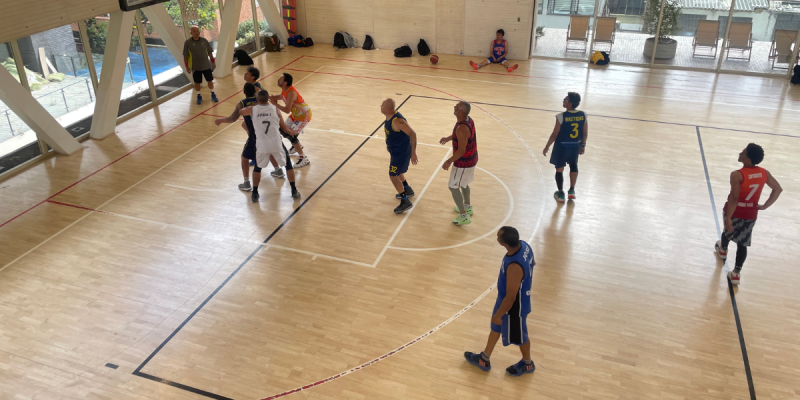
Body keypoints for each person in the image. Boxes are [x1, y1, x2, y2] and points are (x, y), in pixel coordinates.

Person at [464, 226, 536, 376]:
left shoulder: (515, 265)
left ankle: (528, 363)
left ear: (504, 243)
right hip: (506, 300)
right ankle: (484, 358)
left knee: (521, 335)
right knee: (495, 328)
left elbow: (511, 297)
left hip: (514, 307)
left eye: (498, 237)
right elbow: (533, 262)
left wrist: (499, 314)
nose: (496, 237)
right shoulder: (525, 246)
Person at [714, 143, 782, 285]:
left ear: (748, 160)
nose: (740, 153)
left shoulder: (737, 174)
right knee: (742, 243)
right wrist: (765, 205)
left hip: (735, 211)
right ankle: (736, 274)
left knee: (727, 231)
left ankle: (723, 250)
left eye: (743, 153)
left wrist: (729, 217)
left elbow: (734, 198)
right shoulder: (764, 173)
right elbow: (777, 189)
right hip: (750, 214)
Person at [215, 90, 300, 201]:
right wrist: (292, 132)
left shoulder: (252, 110)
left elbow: (240, 112)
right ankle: (294, 190)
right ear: (267, 99)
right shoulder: (276, 110)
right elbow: (284, 128)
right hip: (275, 142)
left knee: (257, 168)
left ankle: (255, 193)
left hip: (261, 144)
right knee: (288, 165)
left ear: (257, 99)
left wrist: (253, 105)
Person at [542, 92, 587, 203]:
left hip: (561, 146)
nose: (563, 101)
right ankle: (571, 191)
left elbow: (554, 134)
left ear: (570, 104)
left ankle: (561, 193)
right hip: (575, 146)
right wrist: (583, 145)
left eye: (565, 100)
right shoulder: (583, 115)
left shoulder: (561, 116)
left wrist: (547, 146)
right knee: (573, 165)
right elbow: (585, 133)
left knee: (559, 169)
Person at [440, 101, 478, 226]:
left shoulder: (461, 128)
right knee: (464, 183)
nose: (454, 108)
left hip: (463, 163)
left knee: (453, 186)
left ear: (461, 112)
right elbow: (461, 136)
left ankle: (464, 215)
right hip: (472, 159)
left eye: (456, 107)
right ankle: (467, 206)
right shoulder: (468, 120)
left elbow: (461, 150)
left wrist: (448, 161)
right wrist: (448, 138)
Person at [380, 98, 418, 214]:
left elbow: (412, 134)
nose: (380, 106)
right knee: (398, 171)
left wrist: (413, 153)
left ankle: (405, 200)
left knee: (393, 176)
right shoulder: (390, 118)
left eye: (382, 105)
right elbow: (392, 134)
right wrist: (389, 144)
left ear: (387, 108)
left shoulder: (397, 120)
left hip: (400, 152)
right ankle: (407, 189)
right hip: (396, 151)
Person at [270, 73, 311, 168]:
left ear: (285, 83)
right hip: (295, 114)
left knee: (291, 134)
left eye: (280, 79)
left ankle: (303, 158)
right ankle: (296, 146)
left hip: (303, 116)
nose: (278, 80)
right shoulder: (285, 90)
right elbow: (281, 97)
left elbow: (286, 110)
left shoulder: (291, 92)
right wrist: (270, 98)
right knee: (283, 129)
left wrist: (275, 104)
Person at [183, 26, 218, 105]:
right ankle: (199, 96)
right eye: (194, 31)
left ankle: (213, 94)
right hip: (196, 67)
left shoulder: (204, 41)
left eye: (197, 31)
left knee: (210, 80)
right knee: (197, 82)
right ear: (191, 33)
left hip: (206, 66)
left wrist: (213, 62)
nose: (196, 32)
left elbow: (209, 52)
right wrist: (187, 66)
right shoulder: (188, 43)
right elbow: (185, 55)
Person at [243, 67, 261, 167]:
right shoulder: (251, 85)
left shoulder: (256, 88)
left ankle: (256, 155)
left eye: (247, 73)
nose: (245, 75)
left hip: (258, 115)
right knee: (245, 125)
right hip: (253, 114)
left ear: (252, 77)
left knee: (253, 134)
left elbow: (261, 101)